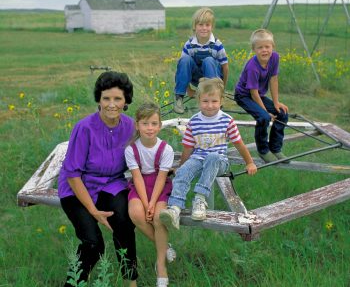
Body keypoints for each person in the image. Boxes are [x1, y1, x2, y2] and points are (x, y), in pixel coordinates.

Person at [58, 71, 138, 287]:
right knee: (93, 244)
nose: (111, 104)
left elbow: (142, 157)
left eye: (117, 99)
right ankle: (73, 284)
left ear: (126, 101)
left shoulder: (131, 126)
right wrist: (93, 211)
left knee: (124, 224)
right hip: (77, 187)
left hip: (112, 183)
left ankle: (131, 283)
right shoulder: (84, 128)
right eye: (106, 98)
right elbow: (72, 174)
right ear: (99, 100)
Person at [160, 78, 257, 230]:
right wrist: (181, 167)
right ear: (198, 100)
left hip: (219, 161)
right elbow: (187, 148)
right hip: (198, 158)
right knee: (184, 172)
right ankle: (175, 208)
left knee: (212, 157)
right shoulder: (194, 121)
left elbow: (239, 143)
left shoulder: (227, 120)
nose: (210, 105)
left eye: (214, 101)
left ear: (221, 101)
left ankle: (200, 199)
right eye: (205, 101)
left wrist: (249, 162)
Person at [125, 102, 175, 287]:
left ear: (160, 126)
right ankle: (165, 246)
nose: (150, 128)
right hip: (140, 186)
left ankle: (161, 265)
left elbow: (162, 178)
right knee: (136, 214)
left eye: (154, 123)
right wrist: (146, 205)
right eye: (145, 123)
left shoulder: (166, 149)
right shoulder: (131, 149)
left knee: (158, 218)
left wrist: (153, 204)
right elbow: (137, 178)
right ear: (137, 125)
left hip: (159, 187)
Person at [234, 29, 289, 163]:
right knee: (263, 117)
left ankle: (275, 148)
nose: (264, 50)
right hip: (244, 95)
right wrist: (265, 112)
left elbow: (273, 79)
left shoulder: (275, 57)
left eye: (267, 46)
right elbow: (253, 93)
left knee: (282, 113)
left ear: (273, 47)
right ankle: (263, 150)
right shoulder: (252, 67)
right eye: (260, 47)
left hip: (258, 94)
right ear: (254, 49)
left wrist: (276, 103)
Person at [173, 7, 229, 114]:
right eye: (200, 25)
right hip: (196, 78)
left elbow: (225, 67)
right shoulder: (189, 44)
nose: (204, 28)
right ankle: (179, 98)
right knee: (184, 59)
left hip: (213, 77)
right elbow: (181, 68)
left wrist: (222, 89)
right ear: (195, 26)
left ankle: (213, 97)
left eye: (207, 25)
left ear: (212, 27)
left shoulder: (217, 44)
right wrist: (189, 90)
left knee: (209, 60)